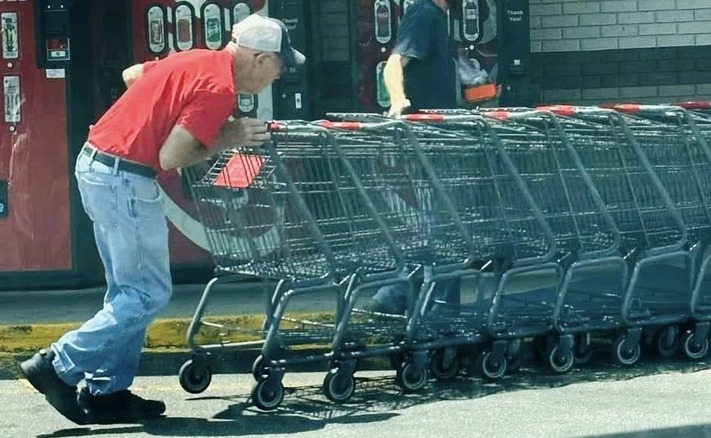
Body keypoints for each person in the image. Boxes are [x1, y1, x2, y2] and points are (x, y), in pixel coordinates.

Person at [19, 13, 305, 425]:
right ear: (260, 59)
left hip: (101, 165)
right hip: (125, 179)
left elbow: (133, 74)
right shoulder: (219, 87)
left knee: (129, 291)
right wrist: (231, 135)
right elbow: (172, 156)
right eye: (279, 66)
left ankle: (108, 392)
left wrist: (165, 110)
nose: (278, 76)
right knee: (147, 294)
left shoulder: (193, 60)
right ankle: (58, 363)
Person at [367, 0, 461, 315]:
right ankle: (428, 302)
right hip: (431, 140)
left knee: (442, 224)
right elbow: (395, 62)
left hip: (437, 139)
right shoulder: (423, 13)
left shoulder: (433, 16)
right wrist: (398, 100)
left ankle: (400, 293)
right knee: (449, 226)